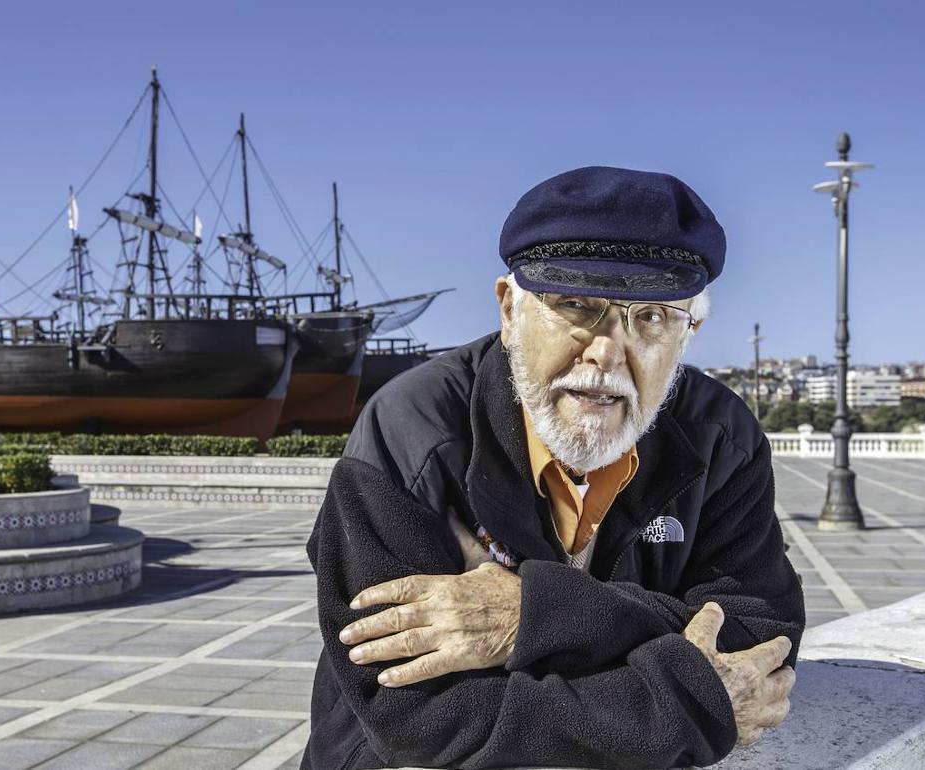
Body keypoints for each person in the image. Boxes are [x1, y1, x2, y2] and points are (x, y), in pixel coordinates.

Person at [302, 167, 806, 770]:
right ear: (509, 311)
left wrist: (535, 614)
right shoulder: (410, 431)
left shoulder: (721, 436)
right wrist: (691, 701)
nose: (606, 352)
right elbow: (416, 719)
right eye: (575, 304)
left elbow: (759, 637)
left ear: (688, 331)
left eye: (651, 317)